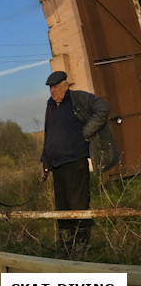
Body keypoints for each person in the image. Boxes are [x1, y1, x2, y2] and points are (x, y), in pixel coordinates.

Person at [41, 70, 119, 260]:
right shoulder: (51, 105)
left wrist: (87, 131)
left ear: (65, 86)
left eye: (56, 87)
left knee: (78, 205)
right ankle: (65, 248)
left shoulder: (79, 99)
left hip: (75, 162)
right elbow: (49, 133)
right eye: (51, 87)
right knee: (63, 208)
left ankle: (80, 247)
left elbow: (103, 108)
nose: (53, 91)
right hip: (57, 165)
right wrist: (45, 160)